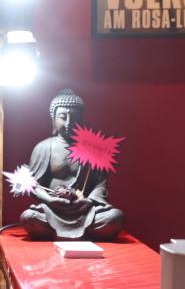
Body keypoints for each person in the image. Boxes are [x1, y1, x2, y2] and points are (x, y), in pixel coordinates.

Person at [19, 89, 124, 242]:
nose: (68, 123)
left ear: (81, 119)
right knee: (29, 217)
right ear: (53, 119)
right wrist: (49, 200)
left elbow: (100, 185)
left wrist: (89, 201)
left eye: (74, 117)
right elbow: (34, 185)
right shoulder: (44, 147)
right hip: (53, 209)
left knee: (115, 217)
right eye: (63, 117)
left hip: (84, 210)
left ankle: (71, 231)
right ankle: (76, 233)